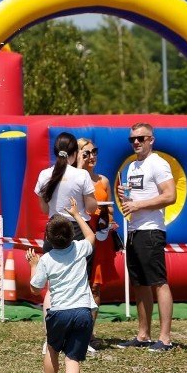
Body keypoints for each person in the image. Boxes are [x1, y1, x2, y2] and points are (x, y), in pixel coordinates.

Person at [26, 197, 97, 373]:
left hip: (58, 312)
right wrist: (77, 214)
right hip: (83, 311)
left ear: (48, 239)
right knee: (74, 356)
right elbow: (92, 236)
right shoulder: (79, 249)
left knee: (52, 349)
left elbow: (35, 289)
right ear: (71, 234)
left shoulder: (46, 259)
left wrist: (33, 265)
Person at [116, 122, 177, 351]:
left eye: (140, 138)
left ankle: (165, 338)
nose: (136, 143)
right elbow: (132, 201)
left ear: (151, 139)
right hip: (134, 230)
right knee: (139, 283)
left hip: (151, 230)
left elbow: (170, 195)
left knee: (158, 282)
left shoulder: (158, 164)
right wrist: (125, 196)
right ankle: (143, 335)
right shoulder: (132, 167)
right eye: (132, 139)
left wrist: (139, 203)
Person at [34, 132, 97, 353]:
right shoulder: (81, 176)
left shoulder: (44, 175)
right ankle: (80, 340)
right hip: (77, 229)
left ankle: (50, 338)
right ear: (74, 153)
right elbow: (91, 209)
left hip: (53, 227)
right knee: (81, 284)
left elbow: (43, 209)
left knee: (52, 286)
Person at [77, 137, 119, 349]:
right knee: (77, 286)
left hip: (101, 239)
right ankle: (73, 333)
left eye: (94, 152)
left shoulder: (103, 181)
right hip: (80, 238)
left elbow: (111, 211)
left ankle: (89, 335)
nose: (91, 156)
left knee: (95, 287)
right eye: (86, 153)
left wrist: (108, 217)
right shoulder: (73, 179)